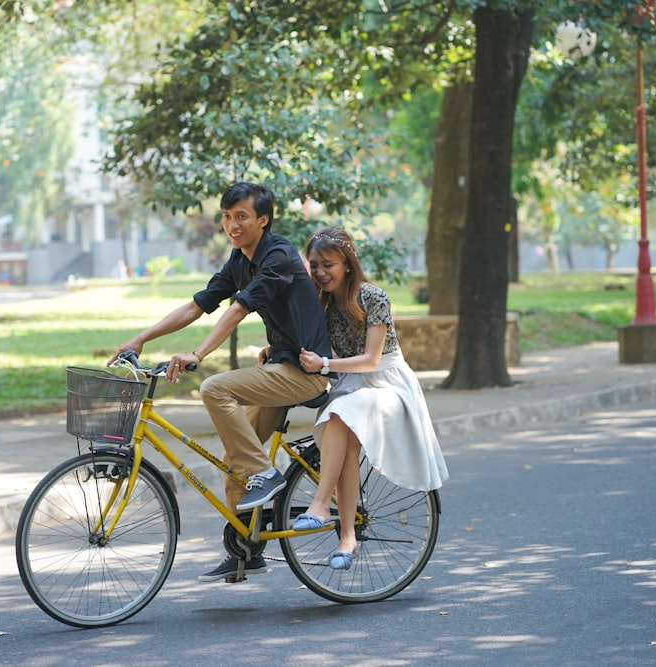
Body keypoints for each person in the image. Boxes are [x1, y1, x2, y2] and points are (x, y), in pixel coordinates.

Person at [110, 182, 332, 582]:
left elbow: (237, 311)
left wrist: (197, 356)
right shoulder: (239, 260)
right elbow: (198, 305)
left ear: (263, 220)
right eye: (227, 216)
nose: (232, 224)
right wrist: (142, 338)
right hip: (280, 367)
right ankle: (246, 548)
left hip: (306, 373)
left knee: (215, 388)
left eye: (242, 216)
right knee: (236, 460)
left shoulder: (278, 256)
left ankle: (266, 475)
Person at [294, 226, 449, 570]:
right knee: (343, 436)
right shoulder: (322, 304)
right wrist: (275, 353)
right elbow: (306, 342)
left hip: (387, 386)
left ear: (347, 264)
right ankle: (347, 539)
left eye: (328, 265)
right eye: (315, 265)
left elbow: (372, 360)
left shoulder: (373, 298)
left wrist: (325, 365)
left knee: (341, 413)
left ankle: (320, 505)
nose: (320, 273)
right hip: (352, 387)